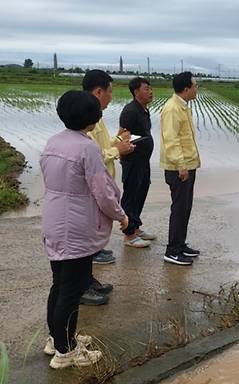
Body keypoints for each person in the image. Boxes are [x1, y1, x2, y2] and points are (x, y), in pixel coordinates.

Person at [41, 90, 128, 369]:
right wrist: (121, 216)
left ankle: (57, 339)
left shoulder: (53, 142)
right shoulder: (86, 147)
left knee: (60, 285)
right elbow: (102, 191)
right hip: (76, 227)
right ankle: (67, 352)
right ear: (91, 118)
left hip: (54, 221)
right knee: (72, 289)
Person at [81, 69, 134, 304]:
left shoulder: (97, 116)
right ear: (99, 91)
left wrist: (116, 140)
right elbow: (92, 155)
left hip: (101, 181)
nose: (112, 97)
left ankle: (88, 281)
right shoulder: (85, 117)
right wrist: (117, 150)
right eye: (110, 91)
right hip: (92, 186)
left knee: (92, 234)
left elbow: (101, 146)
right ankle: (82, 287)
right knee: (84, 240)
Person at [160, 71, 201, 266]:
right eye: (195, 86)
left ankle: (180, 244)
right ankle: (172, 250)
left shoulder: (183, 106)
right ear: (186, 89)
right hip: (179, 168)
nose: (196, 89)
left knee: (185, 208)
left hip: (187, 166)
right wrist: (181, 166)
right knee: (179, 209)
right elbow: (171, 140)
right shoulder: (172, 109)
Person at [119, 77, 156, 248]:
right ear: (136, 92)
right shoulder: (130, 111)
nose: (150, 92)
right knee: (131, 195)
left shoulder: (143, 109)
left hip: (143, 160)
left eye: (150, 89)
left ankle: (136, 226)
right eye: (146, 89)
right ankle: (129, 235)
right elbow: (122, 136)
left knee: (141, 192)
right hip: (132, 161)